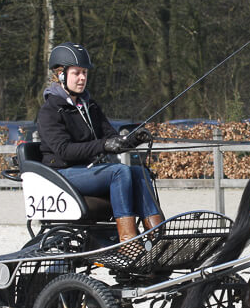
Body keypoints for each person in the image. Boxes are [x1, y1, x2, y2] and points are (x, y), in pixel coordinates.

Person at [36, 41, 163, 243]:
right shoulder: (50, 111)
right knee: (118, 172)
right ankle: (128, 241)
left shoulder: (90, 105)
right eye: (76, 73)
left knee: (139, 172)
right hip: (62, 173)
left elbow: (110, 137)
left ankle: (156, 234)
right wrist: (103, 146)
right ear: (61, 75)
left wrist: (131, 140)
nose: (82, 78)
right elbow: (64, 151)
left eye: (85, 73)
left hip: (88, 170)